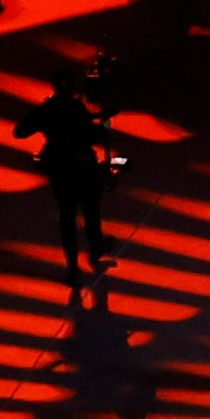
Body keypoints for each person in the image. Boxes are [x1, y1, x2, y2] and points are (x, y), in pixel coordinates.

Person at [25, 77, 121, 313]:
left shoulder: (47, 110)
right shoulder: (75, 108)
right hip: (82, 167)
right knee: (91, 209)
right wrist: (100, 125)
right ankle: (97, 248)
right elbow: (90, 134)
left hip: (59, 169)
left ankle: (73, 268)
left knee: (67, 216)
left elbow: (21, 131)